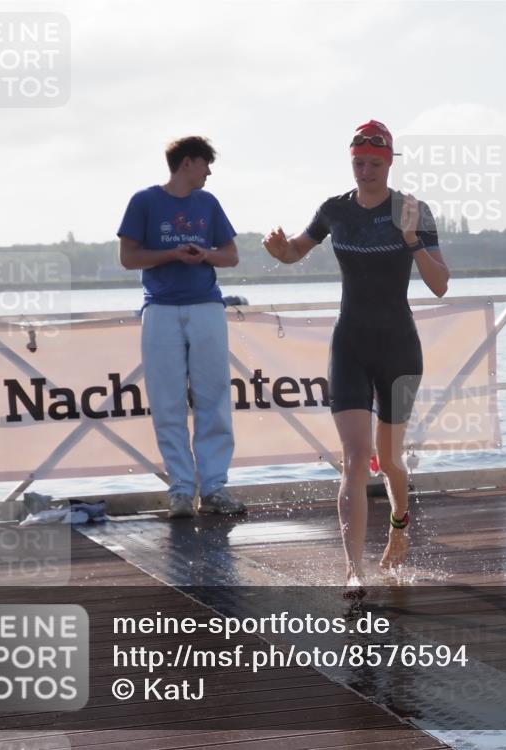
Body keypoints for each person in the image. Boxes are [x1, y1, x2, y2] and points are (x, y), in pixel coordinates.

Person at [262, 120, 450, 587]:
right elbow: (295, 253)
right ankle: (354, 570)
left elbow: (441, 284)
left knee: (388, 462)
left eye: (373, 164)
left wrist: (410, 241)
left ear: (388, 164)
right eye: (358, 164)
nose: (364, 172)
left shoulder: (413, 210)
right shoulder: (334, 210)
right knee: (353, 457)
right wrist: (280, 250)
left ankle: (400, 527)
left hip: (399, 349)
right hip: (349, 345)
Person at [117, 136, 246, 519]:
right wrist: (172, 254)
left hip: (206, 306)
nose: (209, 172)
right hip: (160, 309)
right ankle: (180, 491)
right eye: (206, 164)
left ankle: (214, 488)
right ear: (187, 163)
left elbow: (232, 255)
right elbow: (128, 257)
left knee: (214, 398)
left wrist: (204, 255)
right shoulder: (144, 201)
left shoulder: (208, 204)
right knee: (167, 401)